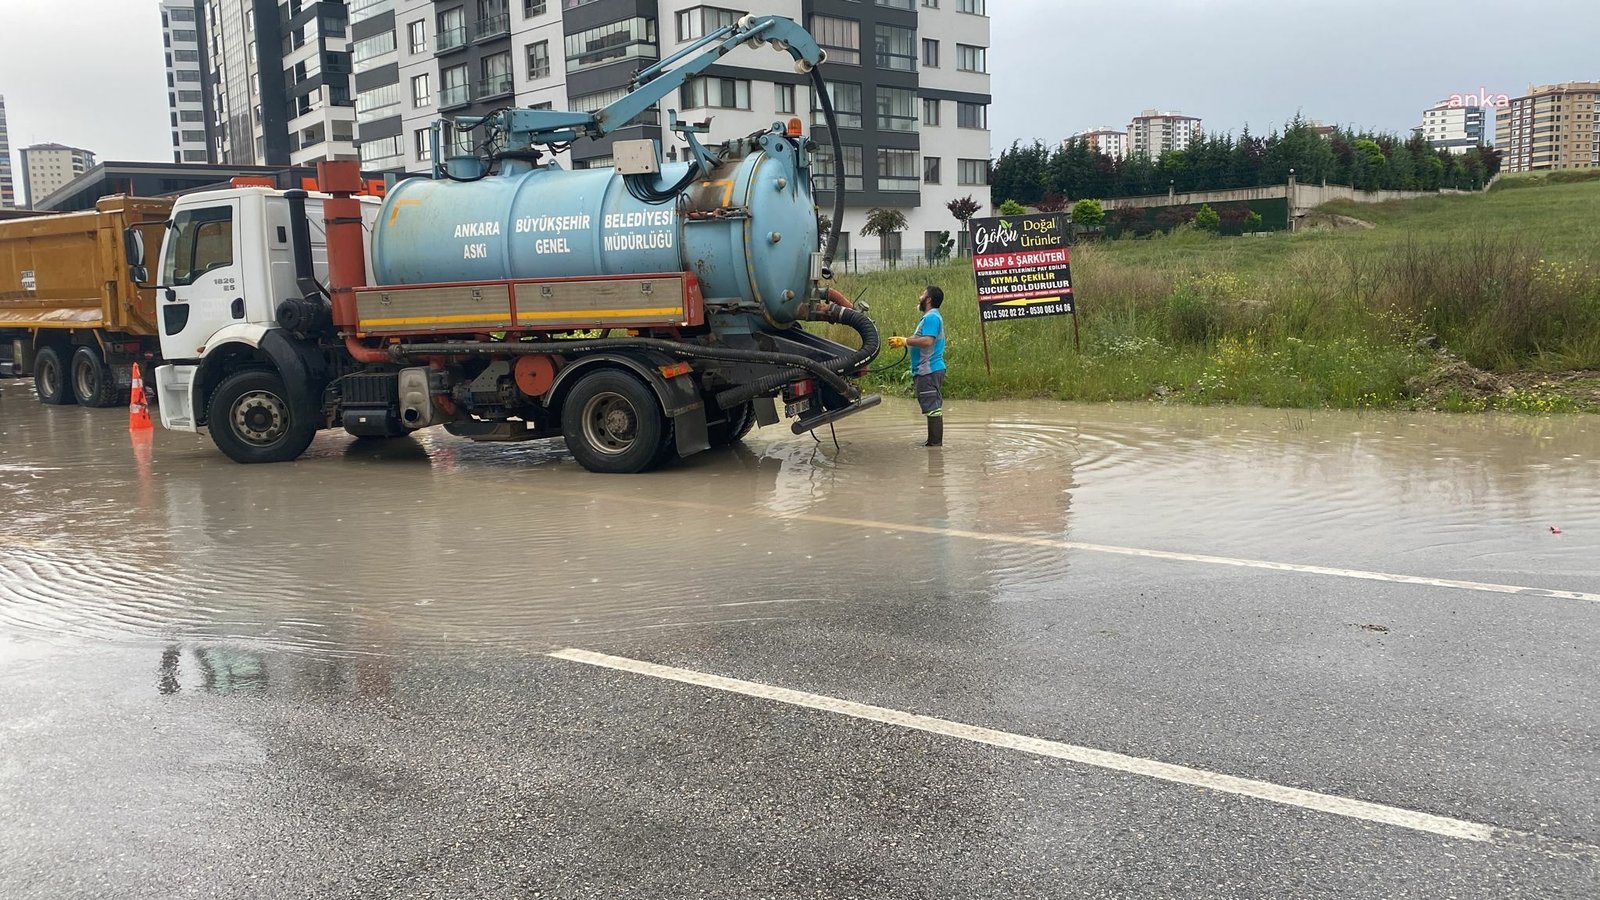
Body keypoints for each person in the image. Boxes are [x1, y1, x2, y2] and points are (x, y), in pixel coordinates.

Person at [888, 285, 946, 447]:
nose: (919, 297)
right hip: (927, 369)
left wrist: (905, 341)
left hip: (929, 369)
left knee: (933, 408)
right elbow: (919, 337)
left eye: (922, 294)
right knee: (931, 407)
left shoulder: (931, 318)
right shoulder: (928, 318)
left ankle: (934, 447)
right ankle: (932, 442)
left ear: (928, 299)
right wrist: (903, 341)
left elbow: (927, 341)